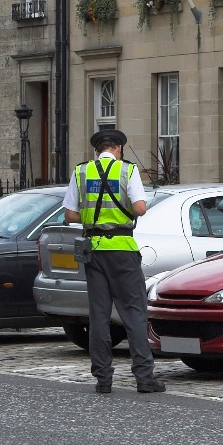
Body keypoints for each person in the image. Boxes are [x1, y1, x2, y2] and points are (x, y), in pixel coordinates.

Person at [63, 129, 165, 394]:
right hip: (122, 249)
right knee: (134, 313)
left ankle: (103, 379)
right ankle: (144, 378)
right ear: (118, 148)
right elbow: (140, 208)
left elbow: (70, 214)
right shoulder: (127, 171)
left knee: (98, 315)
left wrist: (92, 217)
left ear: (97, 150)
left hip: (93, 250)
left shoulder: (81, 172)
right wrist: (125, 210)